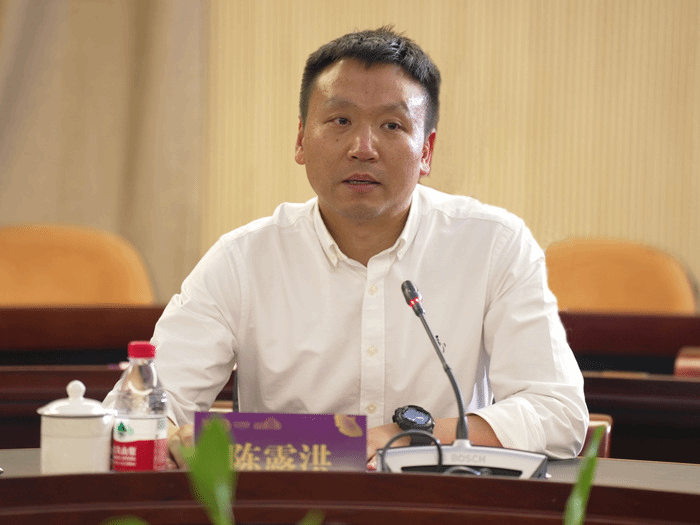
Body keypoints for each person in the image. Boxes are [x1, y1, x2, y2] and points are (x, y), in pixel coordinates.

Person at [104, 26, 588, 469]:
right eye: (340, 120)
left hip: (437, 507)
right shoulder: (242, 261)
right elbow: (133, 414)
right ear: (300, 140)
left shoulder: (494, 246)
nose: (363, 147)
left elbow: (559, 414)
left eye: (392, 126)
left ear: (426, 152)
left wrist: (399, 438)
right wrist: (173, 438)